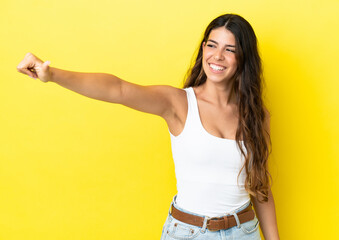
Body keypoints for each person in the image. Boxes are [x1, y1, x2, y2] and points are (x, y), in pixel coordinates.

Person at [16, 13, 279, 239]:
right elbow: (117, 89)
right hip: (188, 232)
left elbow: (261, 188)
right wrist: (52, 75)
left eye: (230, 49)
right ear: (203, 49)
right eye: (212, 45)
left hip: (244, 231)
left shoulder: (256, 115)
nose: (218, 56)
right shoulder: (178, 103)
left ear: (243, 58)